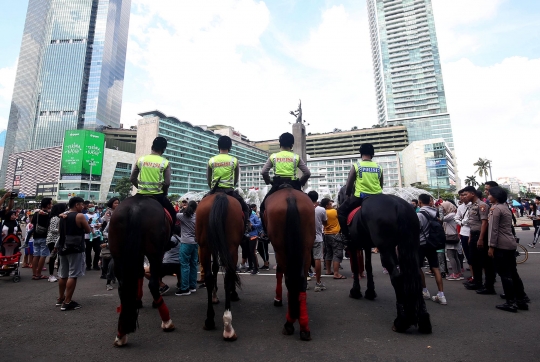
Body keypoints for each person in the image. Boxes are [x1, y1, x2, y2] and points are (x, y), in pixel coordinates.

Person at [487, 187, 530, 312]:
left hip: (501, 245)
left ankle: (510, 302)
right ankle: (521, 299)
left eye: (490, 195)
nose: (488, 196)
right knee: (513, 273)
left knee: (505, 274)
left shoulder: (496, 209)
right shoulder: (505, 207)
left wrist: (491, 246)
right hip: (510, 243)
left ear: (495, 196)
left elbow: (493, 230)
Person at [259, 132, 311, 225]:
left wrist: (269, 181)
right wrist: (300, 183)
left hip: (277, 185)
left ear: (280, 144)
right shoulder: (296, 157)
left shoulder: (274, 156)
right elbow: (307, 173)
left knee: (262, 207)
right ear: (292, 145)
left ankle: (266, 234)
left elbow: (264, 172)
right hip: (293, 185)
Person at [130, 136, 177, 232]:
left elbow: (132, 178)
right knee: (173, 215)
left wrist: (140, 187)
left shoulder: (141, 160)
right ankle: (170, 239)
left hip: (140, 194)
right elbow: (167, 183)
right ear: (163, 149)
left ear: (152, 146)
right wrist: (164, 193)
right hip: (158, 196)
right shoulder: (165, 162)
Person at [337, 143, 383, 240]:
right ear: (372, 154)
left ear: (361, 153)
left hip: (360, 197)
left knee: (341, 211)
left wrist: (348, 194)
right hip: (378, 197)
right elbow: (381, 185)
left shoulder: (356, 165)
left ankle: (345, 236)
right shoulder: (379, 167)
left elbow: (349, 185)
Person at [56, 197, 91, 311]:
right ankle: (67, 302)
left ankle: (61, 298)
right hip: (75, 248)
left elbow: (60, 231)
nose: (83, 207)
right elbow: (88, 231)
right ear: (76, 205)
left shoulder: (62, 216)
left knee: (63, 274)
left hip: (63, 247)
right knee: (73, 274)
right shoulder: (79, 216)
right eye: (81, 205)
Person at [207, 136, 251, 227]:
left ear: (218, 146)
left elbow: (209, 179)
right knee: (246, 208)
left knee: (199, 207)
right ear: (230, 147)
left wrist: (212, 189)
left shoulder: (212, 160)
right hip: (229, 191)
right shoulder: (234, 160)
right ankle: (246, 227)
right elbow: (235, 179)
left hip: (215, 190)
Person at [461, 186, 495, 294]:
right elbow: (473, 223)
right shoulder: (472, 206)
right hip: (474, 235)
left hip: (481, 236)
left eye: (466, 194)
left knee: (485, 261)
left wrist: (480, 238)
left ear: (472, 194)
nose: (464, 197)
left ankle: (489, 286)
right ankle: (477, 282)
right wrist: (471, 236)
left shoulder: (482, 206)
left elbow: (484, 223)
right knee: (473, 260)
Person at [417, 194, 446, 305]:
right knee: (435, 267)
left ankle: (424, 291)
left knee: (419, 267)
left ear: (419, 202)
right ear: (430, 201)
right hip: (433, 243)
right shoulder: (435, 212)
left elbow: (417, 229)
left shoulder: (419, 214)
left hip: (422, 243)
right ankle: (441, 295)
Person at [144, 225, 181, 295]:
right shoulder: (181, 239)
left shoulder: (171, 239)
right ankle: (180, 283)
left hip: (167, 264)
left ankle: (162, 285)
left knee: (143, 271)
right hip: (178, 265)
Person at [176, 201, 199, 296]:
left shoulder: (183, 216)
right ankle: (192, 286)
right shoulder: (197, 216)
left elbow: (174, 214)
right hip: (195, 242)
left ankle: (185, 288)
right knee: (193, 264)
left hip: (185, 242)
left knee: (184, 264)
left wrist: (183, 208)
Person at [308, 191, 327, 292]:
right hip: (318, 237)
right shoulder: (321, 209)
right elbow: (325, 222)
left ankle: (305, 282)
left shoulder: (304, 208)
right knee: (318, 259)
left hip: (306, 238)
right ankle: (318, 283)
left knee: (305, 259)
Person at [321, 198, 345, 279]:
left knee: (329, 253)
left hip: (326, 234)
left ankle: (328, 271)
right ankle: (336, 273)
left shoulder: (323, 212)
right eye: (330, 204)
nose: (331, 205)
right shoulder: (333, 211)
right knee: (337, 254)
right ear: (327, 205)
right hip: (335, 234)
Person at [31, 198, 53, 280]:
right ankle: (39, 274)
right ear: (48, 205)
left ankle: (34, 274)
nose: (52, 205)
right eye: (51, 203)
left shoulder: (36, 213)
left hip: (36, 235)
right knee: (43, 255)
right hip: (44, 236)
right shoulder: (49, 214)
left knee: (36, 255)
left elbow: (32, 222)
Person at [441, 201, 462, 281]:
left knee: (451, 256)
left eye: (443, 207)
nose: (442, 209)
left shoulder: (451, 215)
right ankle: (458, 272)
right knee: (455, 256)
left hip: (450, 236)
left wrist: (440, 212)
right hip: (454, 236)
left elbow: (441, 219)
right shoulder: (453, 214)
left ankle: (455, 273)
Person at [46, 203, 67, 283]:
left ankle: (59, 273)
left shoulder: (60, 217)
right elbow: (52, 229)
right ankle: (51, 275)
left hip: (59, 239)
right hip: (52, 240)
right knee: (53, 257)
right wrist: (61, 230)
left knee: (60, 257)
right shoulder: (55, 218)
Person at [455, 191, 473, 282]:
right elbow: (456, 218)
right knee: (468, 255)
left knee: (475, 256)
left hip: (473, 233)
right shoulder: (460, 207)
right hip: (464, 232)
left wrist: (463, 222)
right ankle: (473, 276)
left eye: (465, 195)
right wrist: (461, 223)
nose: (463, 197)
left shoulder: (473, 206)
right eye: (461, 195)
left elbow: (472, 220)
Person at [84, 203, 102, 271]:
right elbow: (84, 224)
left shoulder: (97, 214)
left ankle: (95, 265)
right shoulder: (85, 215)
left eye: (93, 207)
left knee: (97, 250)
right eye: (90, 207)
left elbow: (100, 222)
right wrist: (88, 223)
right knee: (88, 251)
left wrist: (99, 225)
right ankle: (88, 265)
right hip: (88, 236)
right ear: (87, 208)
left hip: (96, 235)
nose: (92, 208)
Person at [246, 203, 263, 275]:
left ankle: (256, 268)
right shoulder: (245, 216)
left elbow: (260, 224)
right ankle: (250, 266)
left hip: (253, 235)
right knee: (248, 252)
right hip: (246, 235)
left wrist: (253, 225)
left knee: (252, 252)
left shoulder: (254, 216)